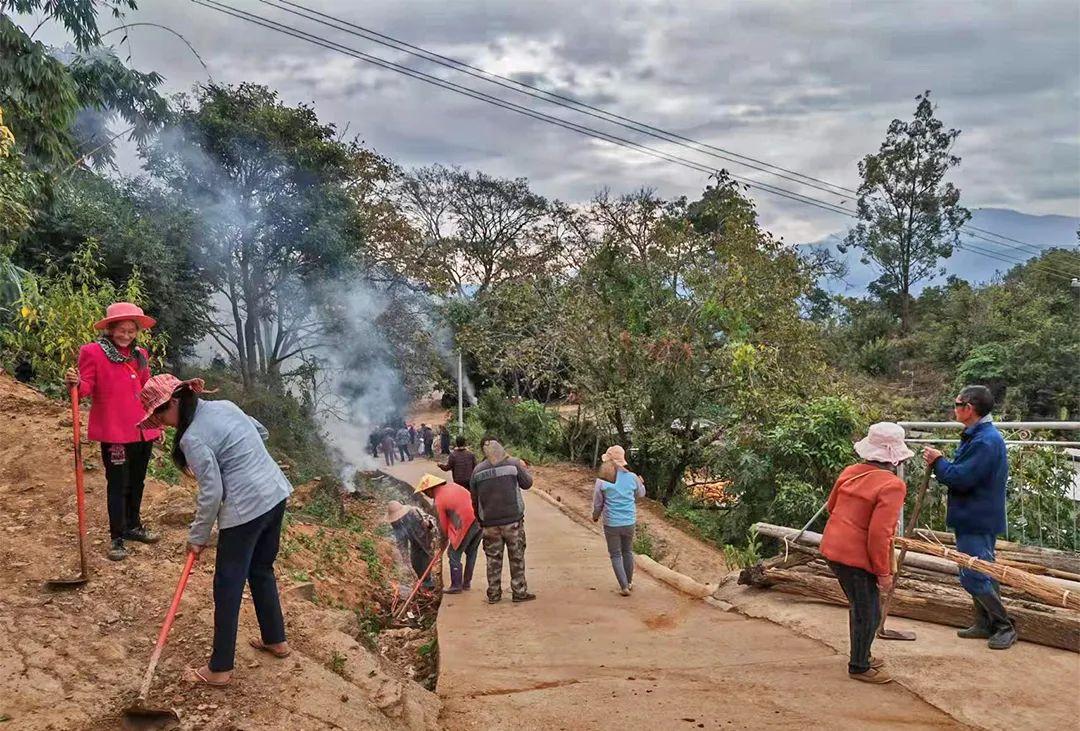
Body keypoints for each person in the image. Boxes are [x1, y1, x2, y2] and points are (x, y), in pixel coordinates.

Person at [136, 374, 292, 687]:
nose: (162, 422)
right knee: (261, 569)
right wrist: (239, 455)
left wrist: (197, 536)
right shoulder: (225, 406)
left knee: (227, 586)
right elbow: (259, 431)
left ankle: (220, 669)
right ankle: (276, 640)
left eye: (160, 414)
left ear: (176, 401)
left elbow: (212, 492)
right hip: (274, 493)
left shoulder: (192, 438)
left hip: (245, 509)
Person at [64, 302, 161, 561]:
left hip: (142, 429)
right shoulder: (93, 352)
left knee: (138, 481)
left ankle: (133, 525)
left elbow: (148, 390)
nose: (126, 335)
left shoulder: (140, 354)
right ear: (110, 329)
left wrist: (157, 423)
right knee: (117, 484)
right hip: (114, 431)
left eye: (131, 331)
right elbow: (86, 388)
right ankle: (117, 537)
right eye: (121, 330)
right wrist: (76, 383)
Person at [922, 385, 1014, 650]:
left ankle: (1003, 626)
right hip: (975, 515)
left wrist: (939, 462)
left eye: (957, 403)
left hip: (976, 516)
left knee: (973, 573)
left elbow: (960, 478)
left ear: (969, 409)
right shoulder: (978, 436)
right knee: (984, 569)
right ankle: (984, 623)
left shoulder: (986, 441)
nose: (954, 408)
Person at [820, 422, 911, 684]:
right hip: (855, 557)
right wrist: (883, 573)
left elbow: (832, 506)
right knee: (868, 611)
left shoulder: (851, 472)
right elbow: (879, 534)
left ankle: (864, 655)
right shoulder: (892, 486)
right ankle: (859, 665)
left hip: (834, 548)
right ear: (895, 457)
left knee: (863, 606)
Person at [470, 438, 535, 603]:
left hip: (489, 524)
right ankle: (519, 592)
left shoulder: (477, 471)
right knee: (517, 556)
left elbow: (474, 500)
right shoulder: (513, 464)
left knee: (493, 559)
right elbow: (527, 484)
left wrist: (481, 520)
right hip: (513, 521)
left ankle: (493, 594)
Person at [590, 446, 646, 596]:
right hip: (629, 521)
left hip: (611, 522)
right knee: (627, 551)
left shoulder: (602, 481)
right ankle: (629, 582)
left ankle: (624, 587)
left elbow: (598, 503)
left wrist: (595, 516)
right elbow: (641, 494)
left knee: (615, 554)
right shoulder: (632, 477)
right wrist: (641, 483)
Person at [414, 474, 481, 594]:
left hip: (465, 522)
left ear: (430, 489)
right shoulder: (454, 486)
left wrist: (443, 541)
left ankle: (456, 586)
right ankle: (466, 583)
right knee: (471, 552)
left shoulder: (439, 500)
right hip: (479, 520)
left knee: (453, 554)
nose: (425, 495)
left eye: (425, 492)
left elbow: (442, 526)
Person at [386, 500, 436, 590]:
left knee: (425, 563)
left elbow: (432, 520)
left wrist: (428, 524)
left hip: (426, 540)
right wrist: (404, 555)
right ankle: (423, 581)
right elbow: (400, 539)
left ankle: (429, 583)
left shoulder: (414, 512)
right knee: (415, 563)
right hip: (414, 542)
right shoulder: (395, 523)